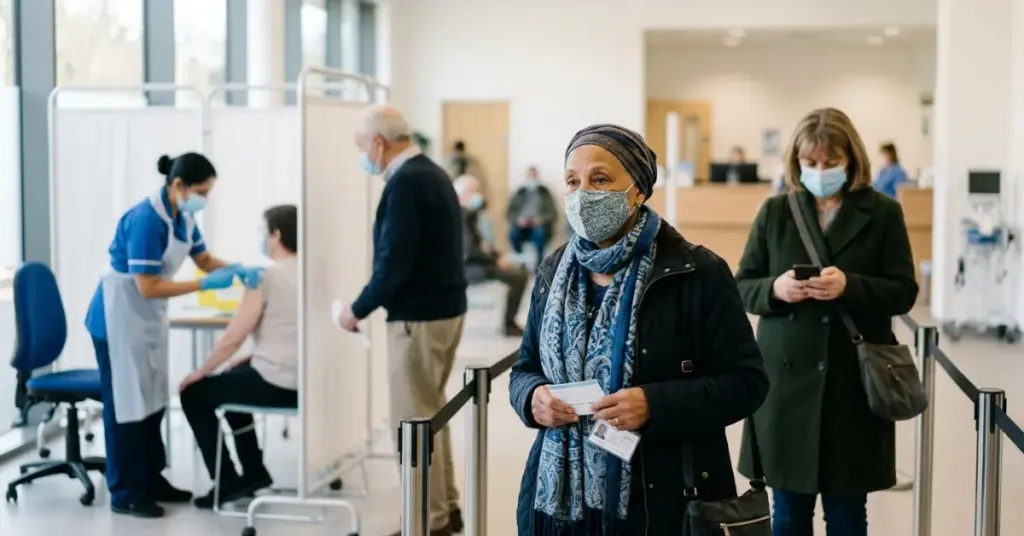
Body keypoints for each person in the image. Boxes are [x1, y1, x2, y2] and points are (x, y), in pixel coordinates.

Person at [509, 124, 768, 534]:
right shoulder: (553, 270)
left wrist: (655, 404)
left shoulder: (697, 272)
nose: (583, 195)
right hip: (561, 503)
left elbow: (748, 383)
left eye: (600, 179)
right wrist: (532, 399)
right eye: (573, 181)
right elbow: (524, 369)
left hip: (659, 501)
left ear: (639, 190)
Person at [734, 108, 919, 536]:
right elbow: (742, 285)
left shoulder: (883, 213)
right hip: (785, 387)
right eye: (810, 163)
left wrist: (850, 286)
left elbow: (903, 290)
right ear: (796, 162)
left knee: (848, 514)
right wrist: (776, 290)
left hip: (852, 385)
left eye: (830, 162)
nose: (820, 171)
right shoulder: (776, 211)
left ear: (851, 160)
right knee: (787, 516)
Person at [84, 152, 258, 518]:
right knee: (127, 405)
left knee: (152, 400)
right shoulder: (146, 219)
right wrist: (203, 285)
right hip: (117, 319)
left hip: (144, 319)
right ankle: (126, 492)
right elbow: (147, 286)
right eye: (200, 191)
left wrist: (242, 269)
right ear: (178, 185)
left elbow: (205, 260)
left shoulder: (184, 216)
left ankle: (151, 479)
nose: (204, 199)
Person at [337, 105, 467, 536]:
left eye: (360, 145)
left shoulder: (406, 184)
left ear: (378, 142)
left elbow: (394, 265)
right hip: (444, 310)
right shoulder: (431, 173)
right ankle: (443, 512)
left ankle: (425, 523)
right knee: (430, 415)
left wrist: (356, 309)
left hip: (418, 319)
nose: (361, 155)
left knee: (412, 423)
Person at [178, 205, 299, 509]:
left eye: (263, 230)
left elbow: (234, 335)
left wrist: (200, 371)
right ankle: (255, 473)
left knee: (194, 394)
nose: (261, 236)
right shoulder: (311, 272)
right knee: (234, 377)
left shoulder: (264, 278)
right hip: (306, 382)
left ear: (276, 235)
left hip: (279, 385)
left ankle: (227, 482)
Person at [454, 174, 528, 336]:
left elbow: (482, 245)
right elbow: (470, 251)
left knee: (519, 273)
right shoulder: (459, 216)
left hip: (477, 262)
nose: (478, 196)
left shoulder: (469, 215)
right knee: (518, 277)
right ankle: (508, 324)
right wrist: (496, 260)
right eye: (474, 192)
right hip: (469, 267)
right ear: (464, 194)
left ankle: (510, 322)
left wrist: (498, 255)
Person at [507, 166, 558, 261]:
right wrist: (518, 220)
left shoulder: (545, 193)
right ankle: (521, 264)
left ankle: (538, 268)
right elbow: (510, 212)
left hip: (538, 226)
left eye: (533, 175)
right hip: (521, 226)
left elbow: (553, 213)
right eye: (530, 175)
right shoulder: (520, 192)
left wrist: (541, 219)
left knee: (540, 234)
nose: (532, 178)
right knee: (513, 235)